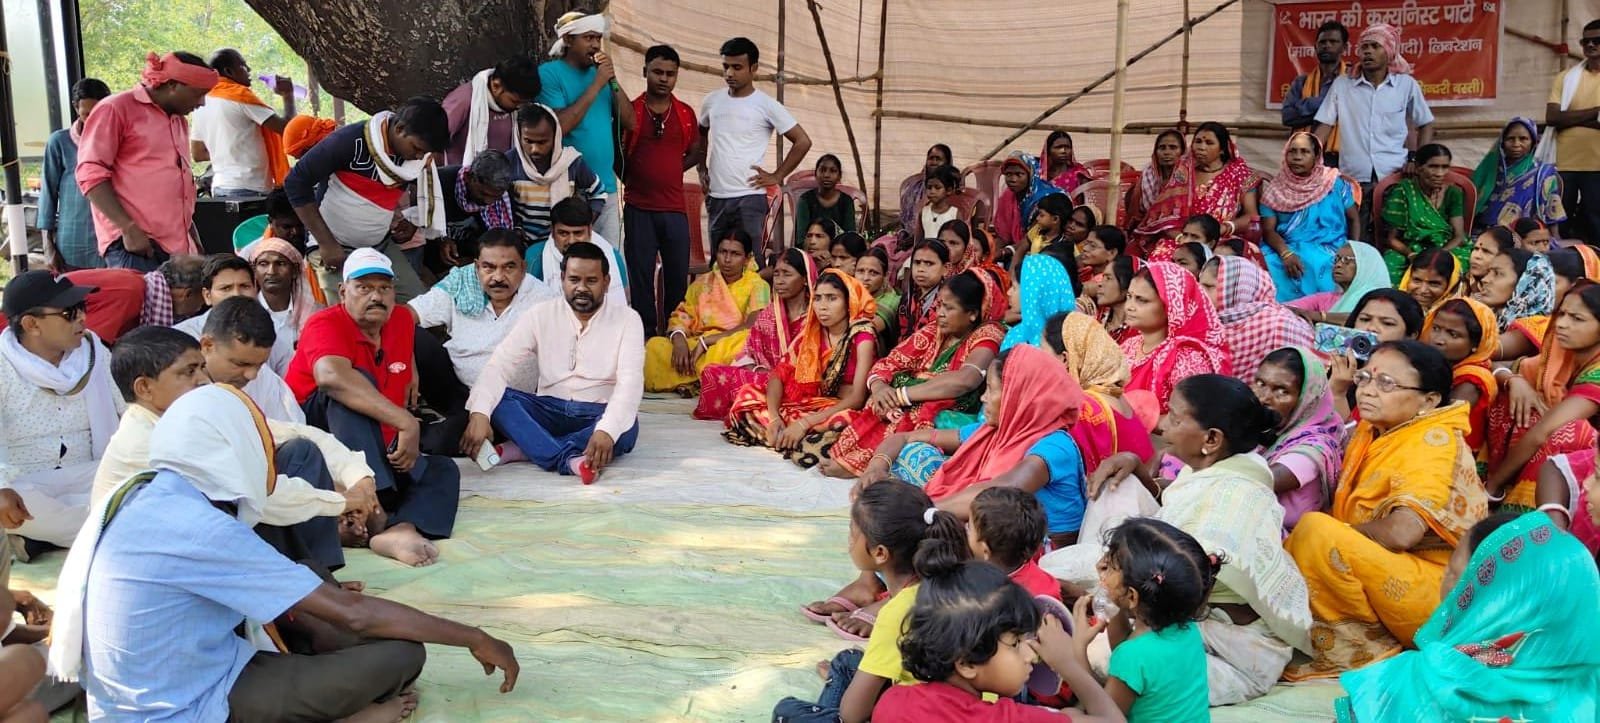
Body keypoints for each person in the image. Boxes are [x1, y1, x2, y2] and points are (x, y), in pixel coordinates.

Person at [50, 385, 519, 722]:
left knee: (309, 574)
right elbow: (353, 614)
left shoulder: (146, 490)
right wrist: (472, 635)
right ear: (234, 449)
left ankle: (308, 664)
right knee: (400, 655)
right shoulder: (198, 525)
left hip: (173, 674)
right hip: (182, 705)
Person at [1042, 375, 1314, 705]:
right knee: (1117, 489)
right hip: (1173, 607)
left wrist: (1096, 593)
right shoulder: (1225, 467)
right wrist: (1137, 467)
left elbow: (1171, 594)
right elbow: (1179, 501)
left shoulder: (1228, 507)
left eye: (1175, 417)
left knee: (1101, 655)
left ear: (1211, 439)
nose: (1161, 426)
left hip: (1227, 648)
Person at [1285, 340, 1488, 680]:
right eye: (1364, 378)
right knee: (1307, 535)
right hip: (1398, 574)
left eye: (1386, 384)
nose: (1367, 390)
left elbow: (1402, 532)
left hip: (1437, 594)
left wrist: (1335, 538)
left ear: (1430, 400)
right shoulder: (1377, 430)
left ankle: (1360, 651)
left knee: (1315, 530)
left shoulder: (1432, 441)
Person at [93, 324, 369, 571]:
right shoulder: (146, 441)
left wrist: (358, 476)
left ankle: (317, 578)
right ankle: (304, 591)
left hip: (196, 541)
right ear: (144, 388)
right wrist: (342, 501)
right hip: (157, 564)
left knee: (299, 450)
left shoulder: (192, 414)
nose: (202, 379)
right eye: (188, 372)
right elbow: (258, 496)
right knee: (249, 503)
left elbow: (287, 431)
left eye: (202, 367)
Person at [1334, 512, 1600, 723]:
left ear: (1487, 602)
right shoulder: (1590, 691)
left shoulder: (1407, 684)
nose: (1443, 583)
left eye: (1453, 572)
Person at [285, 248, 461, 567]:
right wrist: (408, 422)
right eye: (364, 288)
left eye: (383, 288)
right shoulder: (324, 322)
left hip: (374, 441)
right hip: (319, 442)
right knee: (352, 385)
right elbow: (330, 377)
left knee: (443, 469)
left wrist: (403, 426)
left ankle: (399, 528)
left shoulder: (401, 320)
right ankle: (376, 512)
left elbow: (402, 365)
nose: (376, 296)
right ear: (343, 291)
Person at [774, 480, 969, 723]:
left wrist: (852, 696)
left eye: (853, 534)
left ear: (880, 553)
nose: (848, 542)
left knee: (787, 711)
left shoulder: (898, 612)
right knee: (846, 662)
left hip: (925, 712)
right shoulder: (952, 581)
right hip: (954, 699)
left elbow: (852, 714)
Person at [862, 345, 1090, 549]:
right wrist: (877, 467)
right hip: (999, 533)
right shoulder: (994, 432)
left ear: (1019, 396)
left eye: (991, 389)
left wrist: (917, 513)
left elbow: (994, 495)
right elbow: (905, 438)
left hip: (1036, 548)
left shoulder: (1054, 445)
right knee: (916, 455)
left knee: (936, 531)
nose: (983, 398)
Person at [463, 241, 643, 484]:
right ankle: (569, 460)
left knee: (626, 428)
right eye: (574, 280)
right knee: (497, 401)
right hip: (548, 409)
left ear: (606, 282)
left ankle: (527, 449)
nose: (581, 288)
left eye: (591, 281)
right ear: (562, 279)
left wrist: (606, 430)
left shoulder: (628, 319)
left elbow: (629, 385)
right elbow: (499, 365)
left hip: (597, 413)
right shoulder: (541, 314)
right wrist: (480, 414)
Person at [875, 558, 1125, 723]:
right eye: (1016, 643)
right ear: (967, 663)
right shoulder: (1005, 719)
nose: (1031, 654)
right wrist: (1068, 664)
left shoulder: (892, 701)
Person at [821, 270, 1006, 478]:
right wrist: (880, 387)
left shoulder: (989, 334)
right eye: (939, 306)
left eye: (949, 307)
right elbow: (889, 362)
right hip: (914, 397)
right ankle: (857, 459)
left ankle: (863, 464)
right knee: (877, 402)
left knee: (911, 412)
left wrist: (901, 395)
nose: (940, 313)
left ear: (972, 313)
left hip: (953, 410)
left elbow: (965, 381)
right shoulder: (934, 330)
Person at [0, 272, 123, 557]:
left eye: (83, 308)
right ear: (31, 324)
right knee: (16, 502)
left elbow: (126, 407)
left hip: (88, 470)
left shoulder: (93, 350)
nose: (82, 318)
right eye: (69, 312)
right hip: (23, 478)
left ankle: (41, 535)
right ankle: (113, 525)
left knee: (138, 478)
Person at [285, 97, 449, 303]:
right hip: (333, 247)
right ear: (399, 129)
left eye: (424, 153)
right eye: (416, 149)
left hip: (379, 245)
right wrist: (327, 244)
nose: (419, 157)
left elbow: (410, 189)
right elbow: (295, 182)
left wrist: (409, 221)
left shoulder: (416, 157)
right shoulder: (349, 141)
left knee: (419, 306)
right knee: (348, 315)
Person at [409, 230, 557, 441]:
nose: (498, 277)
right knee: (413, 336)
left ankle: (426, 430)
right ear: (477, 267)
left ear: (523, 268)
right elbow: (405, 315)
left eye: (509, 267)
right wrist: (408, 362)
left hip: (509, 403)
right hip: (458, 389)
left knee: (444, 441)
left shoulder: (543, 300)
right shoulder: (460, 284)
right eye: (489, 267)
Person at [77, 51, 216, 272]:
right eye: (198, 94)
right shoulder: (115, 108)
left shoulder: (179, 121)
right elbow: (89, 173)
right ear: (172, 85)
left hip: (177, 247)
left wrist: (192, 238)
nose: (202, 103)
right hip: (136, 244)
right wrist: (127, 227)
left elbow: (179, 184)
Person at [724, 270, 877, 467]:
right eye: (818, 299)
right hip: (810, 405)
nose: (823, 307)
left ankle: (791, 438)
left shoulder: (862, 336)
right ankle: (789, 437)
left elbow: (857, 399)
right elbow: (778, 375)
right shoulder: (812, 331)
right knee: (747, 398)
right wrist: (773, 418)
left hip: (841, 409)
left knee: (846, 423)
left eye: (832, 298)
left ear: (849, 302)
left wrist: (805, 424)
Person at [1314, 23, 1436, 242]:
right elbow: (1324, 125)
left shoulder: (1406, 85)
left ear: (1389, 52)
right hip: (1353, 177)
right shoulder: (1343, 85)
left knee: (1392, 237)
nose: (1367, 51)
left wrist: (1418, 160)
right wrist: (1314, 160)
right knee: (1355, 237)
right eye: (1364, 47)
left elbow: (1425, 123)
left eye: (1375, 46)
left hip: (1396, 175)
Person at [1485, 282, 1600, 511]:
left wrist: (1492, 488)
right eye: (1562, 314)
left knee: (1567, 432)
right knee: (1513, 397)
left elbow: (1544, 432)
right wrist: (1513, 381)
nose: (1561, 324)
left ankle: (1524, 507)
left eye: (1577, 319)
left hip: (1591, 469)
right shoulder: (1562, 356)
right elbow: (1493, 363)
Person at [1091, 519, 1215, 721]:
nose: (1103, 565)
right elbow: (1126, 652)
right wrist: (1109, 590)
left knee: (1073, 715)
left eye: (1112, 565)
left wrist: (1073, 657)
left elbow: (1104, 716)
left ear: (1132, 596)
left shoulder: (1132, 656)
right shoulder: (1188, 629)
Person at [699, 37, 813, 255]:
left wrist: (777, 176)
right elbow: (700, 133)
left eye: (737, 67)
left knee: (752, 263)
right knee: (719, 262)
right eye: (726, 66)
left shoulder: (767, 105)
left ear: (754, 69)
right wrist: (701, 168)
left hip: (749, 198)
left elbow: (802, 141)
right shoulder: (712, 101)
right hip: (717, 197)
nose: (729, 73)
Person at [625, 44, 705, 337]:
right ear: (645, 71)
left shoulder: (685, 113)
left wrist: (670, 172)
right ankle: (644, 339)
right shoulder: (631, 111)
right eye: (657, 71)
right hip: (638, 209)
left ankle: (675, 337)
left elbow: (695, 152)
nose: (664, 78)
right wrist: (634, 179)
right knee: (641, 280)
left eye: (671, 73)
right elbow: (618, 158)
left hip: (674, 211)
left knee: (677, 281)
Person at [538, 11, 635, 245]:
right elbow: (560, 125)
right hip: (571, 189)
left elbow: (631, 121)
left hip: (607, 188)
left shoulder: (601, 76)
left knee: (609, 263)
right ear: (569, 40)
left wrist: (612, 81)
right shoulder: (549, 74)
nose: (594, 45)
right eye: (588, 38)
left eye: (598, 39)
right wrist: (597, 83)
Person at [168, 261, 303, 423]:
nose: (252, 375)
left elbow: (292, 426)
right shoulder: (175, 350)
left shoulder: (266, 373)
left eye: (244, 286)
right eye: (226, 288)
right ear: (207, 346)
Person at [693, 248, 816, 420]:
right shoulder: (769, 314)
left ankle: (758, 405)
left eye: (787, 274)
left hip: (798, 384)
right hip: (764, 378)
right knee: (711, 372)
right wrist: (756, 369)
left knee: (771, 389)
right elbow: (748, 351)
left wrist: (778, 376)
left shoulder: (815, 317)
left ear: (805, 279)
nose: (779, 281)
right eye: (777, 274)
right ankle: (758, 403)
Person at [644, 229, 770, 394]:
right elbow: (683, 315)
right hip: (697, 345)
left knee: (743, 343)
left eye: (735, 254)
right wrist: (679, 339)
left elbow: (751, 326)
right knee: (655, 347)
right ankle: (703, 379)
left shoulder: (758, 285)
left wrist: (708, 342)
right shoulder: (702, 284)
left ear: (747, 258)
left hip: (729, 344)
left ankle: (695, 381)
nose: (727, 259)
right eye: (723, 252)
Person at [1136, 122, 1260, 261]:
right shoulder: (1182, 173)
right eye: (1198, 141)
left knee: (1224, 260)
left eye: (1209, 143)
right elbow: (1165, 218)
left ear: (1222, 149)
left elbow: (1251, 216)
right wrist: (1182, 237)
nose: (1201, 147)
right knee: (1163, 257)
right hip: (1183, 239)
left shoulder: (1240, 174)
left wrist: (1224, 228)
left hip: (1222, 239)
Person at [1251, 347, 1343, 531]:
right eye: (1260, 383)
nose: (1263, 398)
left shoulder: (1314, 447)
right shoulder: (1265, 429)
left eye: (1282, 391)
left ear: (1306, 399)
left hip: (1286, 544)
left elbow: (1257, 482)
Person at [1120, 261, 1230, 413]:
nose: (1129, 306)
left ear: (1170, 306)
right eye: (1129, 296)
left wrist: (1133, 417)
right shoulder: (1129, 345)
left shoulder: (1187, 359)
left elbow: (1189, 420)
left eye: (1142, 300)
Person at [1260, 132, 1357, 302]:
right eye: (1292, 151)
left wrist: (1353, 250)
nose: (1297, 157)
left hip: (1332, 246)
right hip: (1288, 247)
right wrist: (1286, 254)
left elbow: (1354, 219)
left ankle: (1322, 313)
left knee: (1323, 264)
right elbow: (1268, 230)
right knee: (1266, 263)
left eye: (1304, 152)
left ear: (1317, 156)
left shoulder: (1333, 183)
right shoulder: (1275, 190)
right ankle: (1280, 316)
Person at [190, 48, 296, 197]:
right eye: (243, 66)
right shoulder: (239, 96)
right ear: (229, 71)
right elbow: (288, 129)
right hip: (249, 186)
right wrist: (288, 95)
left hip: (220, 187)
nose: (249, 69)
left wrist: (229, 150)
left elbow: (198, 153)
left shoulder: (201, 102)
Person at [1200, 256, 1315, 383]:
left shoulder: (1278, 325)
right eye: (1200, 285)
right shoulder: (1204, 323)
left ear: (1235, 289)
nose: (1201, 293)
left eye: (1209, 287)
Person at [174, 254, 295, 374]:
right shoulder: (183, 337)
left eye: (244, 286)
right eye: (226, 288)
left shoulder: (269, 335)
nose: (237, 294)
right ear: (207, 296)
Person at [506, 103, 605, 247]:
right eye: (528, 141)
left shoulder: (571, 163)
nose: (535, 149)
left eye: (542, 142)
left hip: (562, 245)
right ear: (518, 136)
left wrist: (581, 225)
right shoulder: (510, 163)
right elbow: (503, 204)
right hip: (523, 245)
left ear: (555, 136)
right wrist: (516, 228)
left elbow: (598, 194)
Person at [38, 78, 112, 272]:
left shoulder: (118, 142)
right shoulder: (60, 142)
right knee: (74, 299)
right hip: (72, 243)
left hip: (112, 242)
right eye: (87, 114)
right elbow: (48, 196)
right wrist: (48, 247)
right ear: (75, 108)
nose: (93, 120)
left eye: (99, 113)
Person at [1421, 297, 1500, 457]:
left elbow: (1444, 423)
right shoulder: (1447, 367)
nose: (1438, 340)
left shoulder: (1471, 381)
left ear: (1476, 344)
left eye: (1453, 334)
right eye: (1436, 328)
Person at [1382, 143, 1467, 283]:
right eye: (1433, 166)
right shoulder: (1403, 191)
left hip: (1445, 247)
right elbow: (1392, 239)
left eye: (1445, 167)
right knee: (1391, 267)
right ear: (1418, 168)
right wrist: (1411, 255)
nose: (1440, 173)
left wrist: (1439, 255)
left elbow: (1459, 236)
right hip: (1410, 248)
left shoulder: (1453, 193)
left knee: (1461, 266)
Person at [1547, 19, 1600, 242]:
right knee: (1559, 223)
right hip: (1563, 165)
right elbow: (1553, 117)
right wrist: (1596, 112)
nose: (1590, 45)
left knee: (1596, 223)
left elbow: (1562, 118)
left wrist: (1569, 119)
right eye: (1585, 41)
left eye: (1597, 40)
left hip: (1597, 165)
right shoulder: (1566, 77)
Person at [1472, 117, 1566, 234]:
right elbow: (1471, 203)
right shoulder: (1490, 169)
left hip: (1525, 235)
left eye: (1523, 139)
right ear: (1502, 141)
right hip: (1483, 231)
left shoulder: (1543, 172)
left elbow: (1552, 208)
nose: (1516, 144)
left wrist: (1555, 238)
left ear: (1534, 142)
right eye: (1510, 139)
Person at [441, 55, 541, 165]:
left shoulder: (513, 108)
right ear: (496, 86)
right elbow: (434, 139)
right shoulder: (463, 100)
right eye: (515, 101)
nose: (519, 108)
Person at [243, 233, 322, 368]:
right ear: (254, 271)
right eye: (263, 264)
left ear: (295, 271)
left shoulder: (316, 313)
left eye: (280, 263)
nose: (271, 271)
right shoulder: (244, 315)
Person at [966, 487, 1060, 599]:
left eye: (969, 528)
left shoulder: (986, 596)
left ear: (985, 550)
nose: (965, 529)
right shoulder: (1044, 584)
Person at [533, 197, 626, 307]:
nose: (571, 241)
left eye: (578, 233)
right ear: (552, 232)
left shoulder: (612, 257)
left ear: (590, 231)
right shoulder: (535, 258)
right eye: (563, 233)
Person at [434, 151, 517, 266]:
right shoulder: (439, 182)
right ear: (469, 177)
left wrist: (471, 263)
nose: (488, 202)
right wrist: (440, 240)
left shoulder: (505, 201)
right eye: (483, 193)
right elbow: (420, 224)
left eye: (495, 197)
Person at [1287, 241, 1389, 326]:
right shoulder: (1326, 298)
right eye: (1336, 259)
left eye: (1347, 260)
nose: (1338, 265)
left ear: (1366, 266)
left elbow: (1366, 319)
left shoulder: (1379, 298)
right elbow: (1284, 308)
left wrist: (1319, 316)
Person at [1282, 21, 1349, 142]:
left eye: (1333, 42)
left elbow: (1351, 115)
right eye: (1322, 42)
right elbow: (1287, 117)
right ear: (1315, 47)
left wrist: (1304, 106)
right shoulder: (1301, 82)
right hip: (1306, 152)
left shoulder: (1351, 81)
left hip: (1340, 154)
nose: (1326, 45)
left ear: (1344, 48)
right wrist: (1330, 108)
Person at [1122, 130, 1185, 254]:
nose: (1167, 152)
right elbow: (1136, 214)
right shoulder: (1147, 176)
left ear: (1182, 152)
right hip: (1149, 231)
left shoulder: (1188, 178)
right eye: (1162, 148)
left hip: (1180, 234)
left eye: (1173, 148)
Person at [1001, 253, 1078, 351]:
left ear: (1033, 293)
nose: (1009, 292)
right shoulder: (1019, 333)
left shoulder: (1059, 344)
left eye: (1014, 287)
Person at [1474, 248, 1556, 335]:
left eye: (1497, 273)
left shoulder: (1534, 326)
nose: (1484, 280)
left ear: (1525, 284)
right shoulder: (1496, 320)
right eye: (1488, 272)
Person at [993, 155, 1057, 253]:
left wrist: (1005, 252)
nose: (1013, 179)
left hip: (1043, 249)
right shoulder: (1008, 196)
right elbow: (1003, 236)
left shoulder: (1044, 199)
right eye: (1008, 174)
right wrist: (993, 252)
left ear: (1031, 175)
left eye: (1019, 174)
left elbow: (1030, 239)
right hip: (1017, 247)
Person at [893, 239, 950, 344]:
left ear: (945, 268)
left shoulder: (950, 301)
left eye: (929, 263)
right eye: (917, 263)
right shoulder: (907, 299)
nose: (921, 269)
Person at [794, 154, 858, 246]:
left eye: (833, 171)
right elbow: (801, 239)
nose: (827, 175)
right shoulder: (805, 200)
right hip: (810, 250)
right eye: (822, 170)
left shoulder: (846, 201)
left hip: (838, 253)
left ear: (839, 176)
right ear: (816, 174)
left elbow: (850, 237)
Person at [897, 144, 954, 247]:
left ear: (947, 162)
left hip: (939, 244)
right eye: (931, 158)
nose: (934, 162)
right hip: (912, 239)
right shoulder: (914, 186)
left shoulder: (953, 190)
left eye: (938, 159)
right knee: (881, 245)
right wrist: (904, 235)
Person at [1400, 247, 1463, 318]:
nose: (1422, 290)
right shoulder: (1395, 308)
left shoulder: (1456, 320)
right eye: (1417, 280)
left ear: (1450, 285)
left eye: (1434, 284)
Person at [1095, 256, 1144, 345]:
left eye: (1108, 278)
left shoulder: (1139, 333)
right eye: (1103, 278)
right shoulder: (1099, 320)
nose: (1100, 284)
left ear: (1128, 286)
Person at [856, 246, 900, 343]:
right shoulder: (852, 296)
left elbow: (868, 328)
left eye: (873, 273)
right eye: (861, 271)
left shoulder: (892, 300)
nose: (865, 278)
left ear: (885, 276)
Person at [915, 164, 962, 241]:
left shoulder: (955, 214)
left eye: (937, 188)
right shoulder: (923, 212)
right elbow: (919, 238)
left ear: (949, 190)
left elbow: (959, 240)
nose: (932, 191)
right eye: (929, 187)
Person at [1464, 225, 1514, 298]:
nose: (1477, 256)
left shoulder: (1501, 296)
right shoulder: (1459, 282)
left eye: (1486, 251)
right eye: (1476, 248)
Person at [1039, 130, 1091, 194]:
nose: (1063, 151)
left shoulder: (1079, 173)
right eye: (1058, 147)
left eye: (1067, 147)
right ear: (1048, 150)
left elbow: (1088, 198)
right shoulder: (1038, 174)